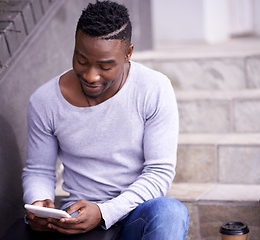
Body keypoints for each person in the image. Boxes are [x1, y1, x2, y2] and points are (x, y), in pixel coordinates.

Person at [21, 1, 189, 239]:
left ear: (128, 53)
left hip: (134, 213)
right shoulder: (45, 101)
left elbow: (159, 173)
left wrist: (103, 212)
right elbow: (39, 170)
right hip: (76, 218)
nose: (91, 75)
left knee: (171, 212)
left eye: (105, 65)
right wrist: (39, 204)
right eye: (81, 60)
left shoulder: (153, 88)